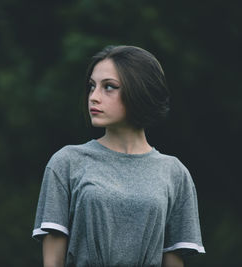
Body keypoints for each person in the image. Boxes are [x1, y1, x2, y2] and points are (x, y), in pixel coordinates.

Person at [32, 45, 205, 267]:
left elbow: (173, 261)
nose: (93, 97)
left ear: (139, 91)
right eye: (92, 87)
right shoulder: (67, 162)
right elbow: (52, 262)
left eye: (109, 87)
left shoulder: (174, 172)